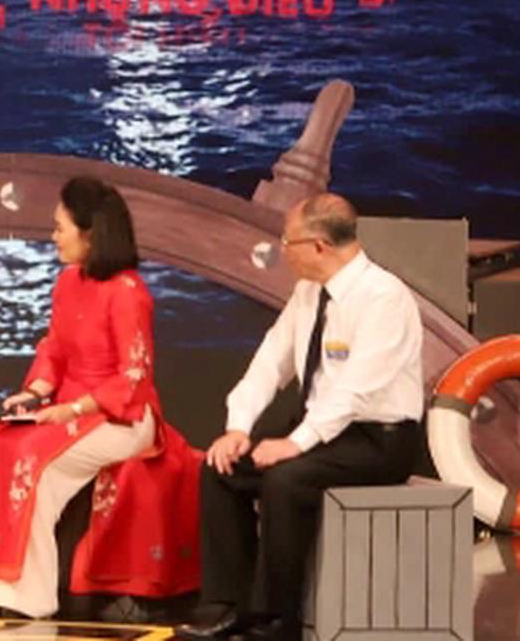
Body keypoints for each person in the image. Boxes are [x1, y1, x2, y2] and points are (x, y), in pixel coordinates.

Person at [0, 175, 201, 620]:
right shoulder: (67, 282)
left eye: (61, 228)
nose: (54, 236)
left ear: (91, 233)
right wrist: (33, 394)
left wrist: (75, 408)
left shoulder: (128, 293)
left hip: (121, 418)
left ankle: (30, 596)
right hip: (69, 410)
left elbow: (133, 376)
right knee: (1, 444)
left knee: (36, 466)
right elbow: (55, 350)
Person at [176, 193, 423, 641]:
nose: (283, 250)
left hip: (380, 437)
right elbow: (271, 361)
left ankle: (276, 619)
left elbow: (354, 390)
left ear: (319, 246)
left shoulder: (383, 297)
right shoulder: (309, 293)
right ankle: (225, 605)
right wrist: (238, 427)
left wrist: (295, 443)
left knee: (285, 479)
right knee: (221, 467)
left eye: (288, 242)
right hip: (323, 429)